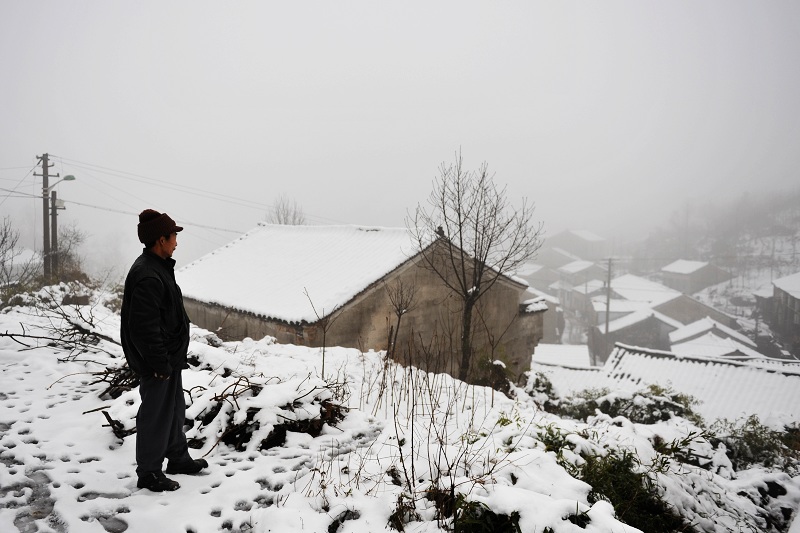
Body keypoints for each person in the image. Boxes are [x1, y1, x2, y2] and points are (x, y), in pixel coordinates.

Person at [120, 209, 208, 492]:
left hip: (167, 357)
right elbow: (143, 328)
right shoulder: (147, 274)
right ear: (161, 239)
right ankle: (148, 473)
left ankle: (178, 458)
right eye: (173, 237)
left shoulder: (157, 267)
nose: (176, 243)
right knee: (156, 415)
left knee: (173, 409)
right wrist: (158, 363)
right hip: (157, 360)